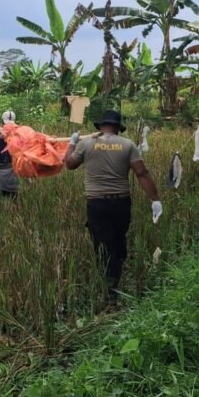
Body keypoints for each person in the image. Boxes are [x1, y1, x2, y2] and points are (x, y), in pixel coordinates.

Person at [64, 110, 162, 301]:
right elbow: (142, 173)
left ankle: (108, 286)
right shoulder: (128, 145)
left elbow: (69, 164)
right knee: (118, 239)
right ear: (118, 127)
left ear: (100, 126)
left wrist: (72, 142)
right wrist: (155, 199)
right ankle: (115, 277)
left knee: (102, 243)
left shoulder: (86, 144)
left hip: (97, 202)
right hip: (121, 202)